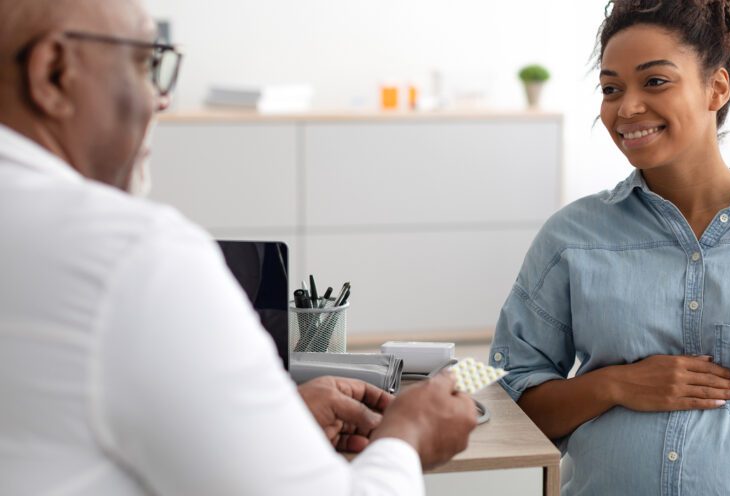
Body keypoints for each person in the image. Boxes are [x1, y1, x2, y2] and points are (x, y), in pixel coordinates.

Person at [0, 0, 477, 494]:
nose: (161, 99)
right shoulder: (136, 258)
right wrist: (407, 437)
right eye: (147, 63)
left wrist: (268, 425)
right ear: (53, 73)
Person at [489, 1, 730, 494]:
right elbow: (504, 392)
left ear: (716, 87)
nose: (626, 107)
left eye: (654, 82)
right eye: (611, 89)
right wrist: (614, 385)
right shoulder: (570, 238)